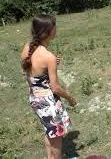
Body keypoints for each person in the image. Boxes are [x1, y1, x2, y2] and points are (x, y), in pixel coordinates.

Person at [20, 14, 77, 159]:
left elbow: (27, 71)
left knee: (49, 132)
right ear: (48, 31)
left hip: (35, 99)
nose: (56, 28)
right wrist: (70, 98)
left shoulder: (28, 48)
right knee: (56, 141)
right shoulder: (48, 57)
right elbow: (56, 88)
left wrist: (50, 65)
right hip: (48, 103)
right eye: (54, 26)